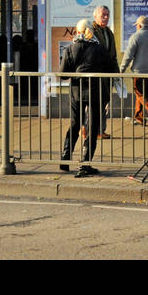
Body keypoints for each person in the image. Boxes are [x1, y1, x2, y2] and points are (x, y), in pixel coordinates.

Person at [60, 18, 118, 176]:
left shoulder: (71, 48)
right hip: (96, 92)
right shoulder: (99, 49)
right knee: (92, 128)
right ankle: (85, 164)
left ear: (78, 31)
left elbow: (63, 75)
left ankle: (65, 159)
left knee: (75, 124)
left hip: (77, 92)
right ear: (91, 32)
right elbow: (112, 69)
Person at [120, 15, 148, 127]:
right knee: (142, 95)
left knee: (140, 94)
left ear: (139, 25)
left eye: (136, 25)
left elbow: (128, 55)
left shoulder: (136, 37)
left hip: (139, 72)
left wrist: (121, 70)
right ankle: (138, 117)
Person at [89, 6, 118, 139]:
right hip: (95, 74)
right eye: (103, 15)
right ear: (95, 16)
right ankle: (88, 129)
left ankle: (100, 130)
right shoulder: (91, 31)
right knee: (92, 103)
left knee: (104, 103)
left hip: (107, 73)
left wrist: (116, 74)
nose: (106, 17)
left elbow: (113, 55)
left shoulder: (109, 32)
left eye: (107, 15)